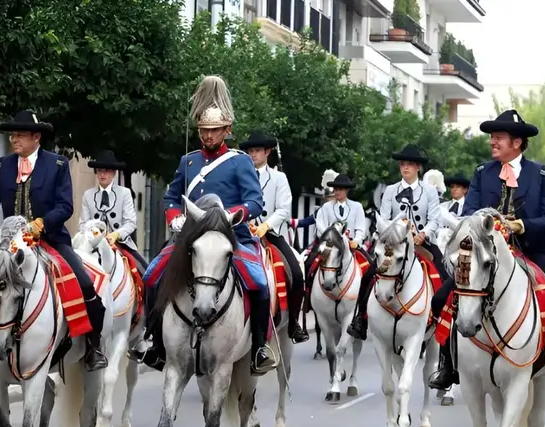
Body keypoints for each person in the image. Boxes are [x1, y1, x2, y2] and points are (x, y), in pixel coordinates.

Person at [427, 109, 545, 394]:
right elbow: (470, 213)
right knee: (441, 298)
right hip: (486, 255)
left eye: (498, 137)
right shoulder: (481, 173)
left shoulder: (540, 174)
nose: (492, 142)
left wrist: (522, 225)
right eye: (491, 137)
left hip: (531, 252)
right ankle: (447, 364)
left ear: (517, 142)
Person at [127, 75, 276, 375]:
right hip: (190, 239)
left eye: (214, 131)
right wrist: (174, 217)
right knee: (153, 275)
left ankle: (259, 347)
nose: (207, 136)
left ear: (227, 130)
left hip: (231, 238)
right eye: (204, 131)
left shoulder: (240, 162)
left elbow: (255, 202)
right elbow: (170, 197)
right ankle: (153, 340)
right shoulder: (189, 162)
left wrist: (228, 216)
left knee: (260, 283)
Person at [0, 110, 108, 371]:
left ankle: (93, 346)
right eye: (12, 135)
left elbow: (65, 205)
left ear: (36, 137)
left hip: (50, 240)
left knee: (85, 285)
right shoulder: (2, 167)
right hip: (8, 245)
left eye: (20, 135)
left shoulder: (57, 165)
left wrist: (42, 223)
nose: (14, 139)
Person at [346, 144, 446, 341]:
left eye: (409, 164)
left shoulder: (429, 191)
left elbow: (435, 219)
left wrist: (423, 234)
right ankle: (361, 319)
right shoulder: (391, 190)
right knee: (368, 275)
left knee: (444, 273)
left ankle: (444, 321)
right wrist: (395, 232)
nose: (405, 168)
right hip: (394, 243)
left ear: (418, 167)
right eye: (402, 164)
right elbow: (383, 217)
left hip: (421, 243)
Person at [239, 130, 308, 343]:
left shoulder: (279, 178)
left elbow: (284, 209)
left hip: (270, 234)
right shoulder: (239, 176)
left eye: (257, 150)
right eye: (250, 151)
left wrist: (265, 226)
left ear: (267, 152)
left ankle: (294, 323)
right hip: (243, 232)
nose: (253, 154)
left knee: (296, 274)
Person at [79, 149, 147, 271]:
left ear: (114, 173)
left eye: (106, 171)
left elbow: (130, 223)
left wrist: (116, 234)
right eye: (99, 171)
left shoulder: (125, 193)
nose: (102, 175)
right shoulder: (88, 195)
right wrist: (96, 236)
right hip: (93, 243)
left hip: (121, 244)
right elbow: (83, 224)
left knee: (145, 271)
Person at [303, 172, 367, 288]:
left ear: (347, 190)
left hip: (350, 245)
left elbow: (360, 228)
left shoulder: (357, 207)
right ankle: (307, 294)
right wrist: (329, 237)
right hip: (329, 244)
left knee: (369, 267)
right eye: (335, 189)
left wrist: (357, 240)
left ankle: (364, 300)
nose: (337, 192)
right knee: (309, 264)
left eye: (340, 189)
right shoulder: (326, 207)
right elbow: (320, 225)